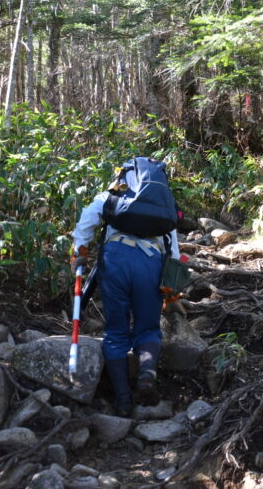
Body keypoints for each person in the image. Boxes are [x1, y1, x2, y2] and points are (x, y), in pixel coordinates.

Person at [71, 157, 181, 417]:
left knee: (116, 331)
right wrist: (172, 292)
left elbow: (87, 221)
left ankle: (122, 401)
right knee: (148, 327)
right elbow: (173, 248)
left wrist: (79, 252)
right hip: (151, 262)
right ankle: (146, 375)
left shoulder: (113, 195)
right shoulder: (162, 204)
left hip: (116, 260)